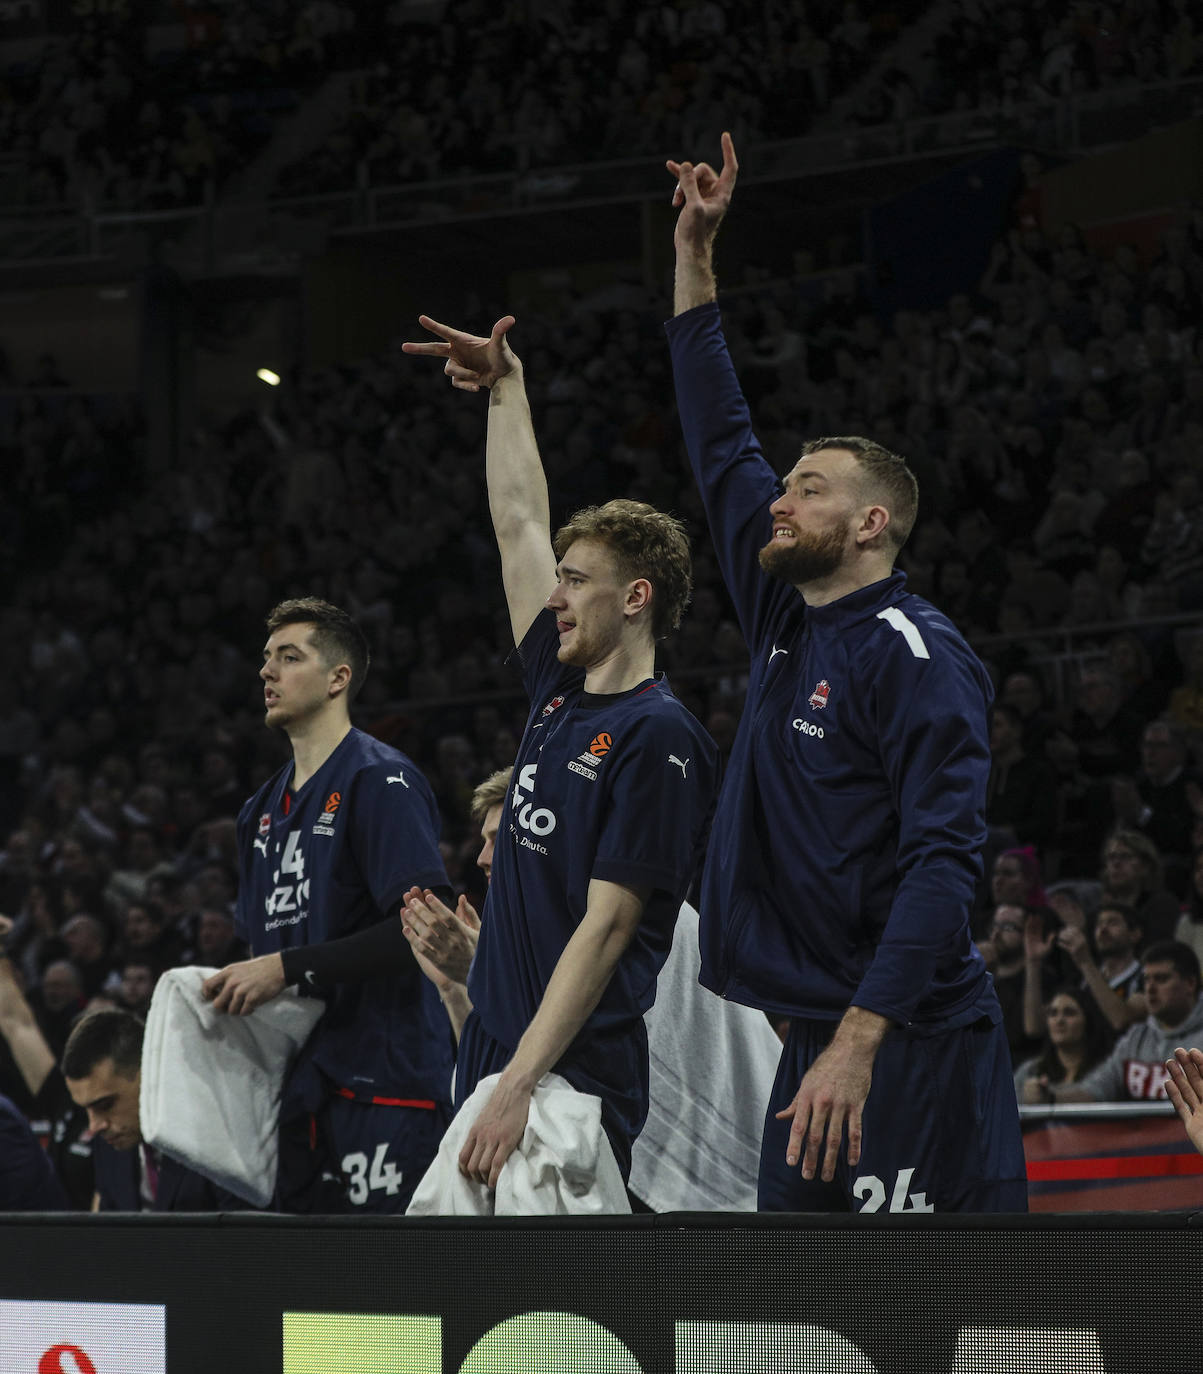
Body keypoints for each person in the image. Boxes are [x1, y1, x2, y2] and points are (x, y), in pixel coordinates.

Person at [664, 131, 1026, 1212]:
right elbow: (718, 438)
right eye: (786, 485)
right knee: (798, 1319)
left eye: (809, 487)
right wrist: (694, 255)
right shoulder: (786, 608)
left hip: (908, 1040)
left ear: (870, 524)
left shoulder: (917, 654)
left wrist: (863, 1040)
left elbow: (944, 864)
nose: (780, 498)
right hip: (819, 1032)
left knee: (930, 1328)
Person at [403, 316, 719, 1190]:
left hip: (568, 1075)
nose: (558, 596)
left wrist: (519, 1083)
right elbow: (515, 521)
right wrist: (507, 388)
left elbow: (610, 926)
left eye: (577, 581)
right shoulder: (556, 691)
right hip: (503, 1056)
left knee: (556, 1325)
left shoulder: (660, 737)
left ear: (637, 597)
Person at [200, 597, 454, 1214]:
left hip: (387, 1082)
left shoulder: (380, 780)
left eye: (290, 658)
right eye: (266, 659)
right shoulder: (256, 813)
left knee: (391, 1297)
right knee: (305, 1301)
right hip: (300, 1089)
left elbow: (423, 930)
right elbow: (259, 951)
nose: (268, 672)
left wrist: (284, 966)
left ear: (338, 678)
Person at [61, 1009, 227, 1210]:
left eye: (105, 1105)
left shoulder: (218, 1138)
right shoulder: (108, 1147)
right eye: (86, 1109)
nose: (94, 1126)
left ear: (148, 1072)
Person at [1048, 941, 1203, 1103]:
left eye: (1161, 979)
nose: (1150, 989)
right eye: (1147, 980)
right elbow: (1097, 1088)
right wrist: (1050, 1097)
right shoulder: (1136, 1037)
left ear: (1190, 984)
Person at [1014, 986, 1110, 1104]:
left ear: (1088, 1021)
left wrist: (1049, 1098)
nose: (1059, 1020)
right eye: (1053, 1013)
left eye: (1069, 1013)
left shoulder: (1107, 1069)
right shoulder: (1030, 1071)